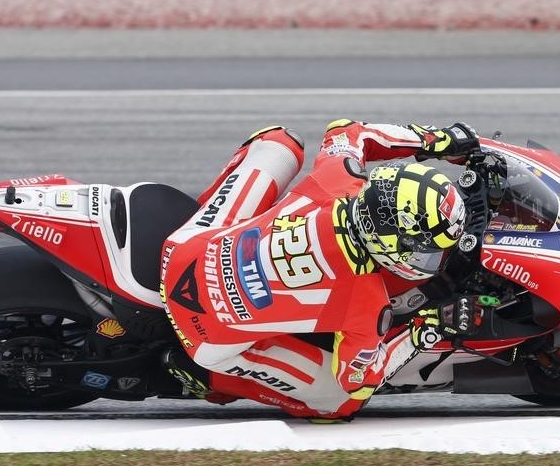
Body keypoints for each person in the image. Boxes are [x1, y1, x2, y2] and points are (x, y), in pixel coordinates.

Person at [159, 119, 482, 420]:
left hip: (186, 248)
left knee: (279, 141)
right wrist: (424, 331)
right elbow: (358, 380)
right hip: (204, 336)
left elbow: (346, 131)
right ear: (389, 245)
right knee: (340, 404)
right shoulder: (365, 301)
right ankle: (212, 380)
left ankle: (200, 213)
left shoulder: (340, 178)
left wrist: (433, 140)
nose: (431, 260)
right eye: (425, 253)